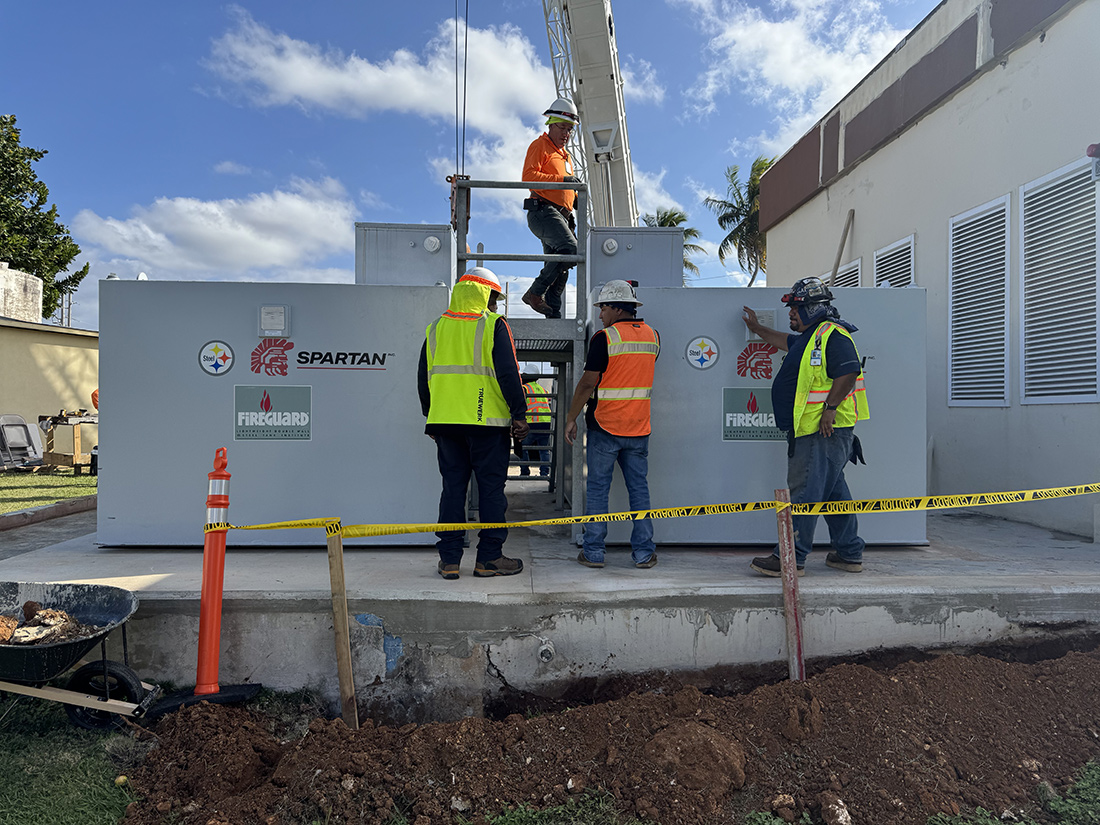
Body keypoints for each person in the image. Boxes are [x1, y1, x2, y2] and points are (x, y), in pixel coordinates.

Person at [741, 277, 869, 577]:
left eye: (796, 308)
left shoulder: (833, 336)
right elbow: (782, 340)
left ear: (814, 308)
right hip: (819, 433)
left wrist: (830, 410)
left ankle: (791, 556)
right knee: (834, 493)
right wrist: (758, 328)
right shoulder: (810, 337)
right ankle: (849, 552)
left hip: (821, 431)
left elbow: (849, 371)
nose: (791, 314)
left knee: (803, 494)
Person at [418, 267, 530, 580]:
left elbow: (423, 378)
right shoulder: (493, 324)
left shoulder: (436, 327)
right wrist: (519, 414)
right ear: (486, 295)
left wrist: (432, 418)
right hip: (488, 425)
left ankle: (450, 560)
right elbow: (509, 373)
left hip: (446, 425)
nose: (495, 305)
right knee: (491, 491)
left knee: (453, 489)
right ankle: (489, 559)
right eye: (494, 298)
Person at [564, 280, 660, 569]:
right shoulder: (653, 337)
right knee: (639, 490)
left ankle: (593, 552)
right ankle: (644, 553)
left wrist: (571, 418)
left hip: (605, 427)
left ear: (617, 308)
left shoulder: (605, 338)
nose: (601, 314)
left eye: (603, 307)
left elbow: (587, 383)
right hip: (639, 428)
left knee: (596, 489)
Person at [521, 98, 581, 320]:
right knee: (570, 250)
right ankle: (535, 293)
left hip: (561, 216)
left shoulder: (565, 156)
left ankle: (553, 316)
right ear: (551, 125)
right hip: (544, 212)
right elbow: (529, 177)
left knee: (561, 266)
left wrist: (574, 197)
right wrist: (564, 180)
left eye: (570, 129)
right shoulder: (540, 146)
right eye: (563, 127)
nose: (566, 133)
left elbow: (564, 185)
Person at [519, 373, 551, 477]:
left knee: (522, 448)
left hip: (532, 422)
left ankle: (525, 471)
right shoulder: (542, 389)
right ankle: (544, 473)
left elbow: (520, 404)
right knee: (544, 450)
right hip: (546, 422)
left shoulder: (524, 388)